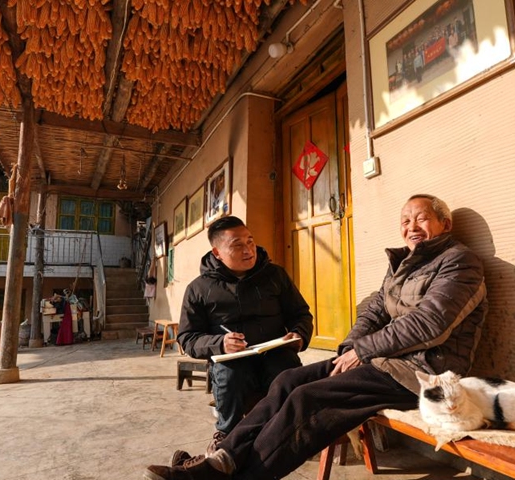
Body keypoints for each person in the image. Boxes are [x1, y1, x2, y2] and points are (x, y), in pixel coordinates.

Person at [144, 194, 488, 480]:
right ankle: (221, 461)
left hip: (424, 371)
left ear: (446, 224)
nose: (412, 227)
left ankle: (234, 476)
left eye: (422, 219)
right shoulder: (403, 265)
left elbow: (430, 324)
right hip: (384, 360)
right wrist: (351, 348)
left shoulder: (459, 262)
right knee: (289, 381)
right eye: (405, 221)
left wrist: (360, 350)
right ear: (218, 252)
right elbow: (373, 312)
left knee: (306, 398)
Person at [176, 215, 313, 455]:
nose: (248, 249)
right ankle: (226, 437)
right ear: (217, 253)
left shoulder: (275, 275)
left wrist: (298, 335)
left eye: (250, 241)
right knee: (230, 375)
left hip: (275, 352)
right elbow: (187, 337)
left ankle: (289, 432)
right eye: (237, 245)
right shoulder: (198, 289)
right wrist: (219, 344)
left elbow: (301, 314)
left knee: (287, 370)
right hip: (232, 360)